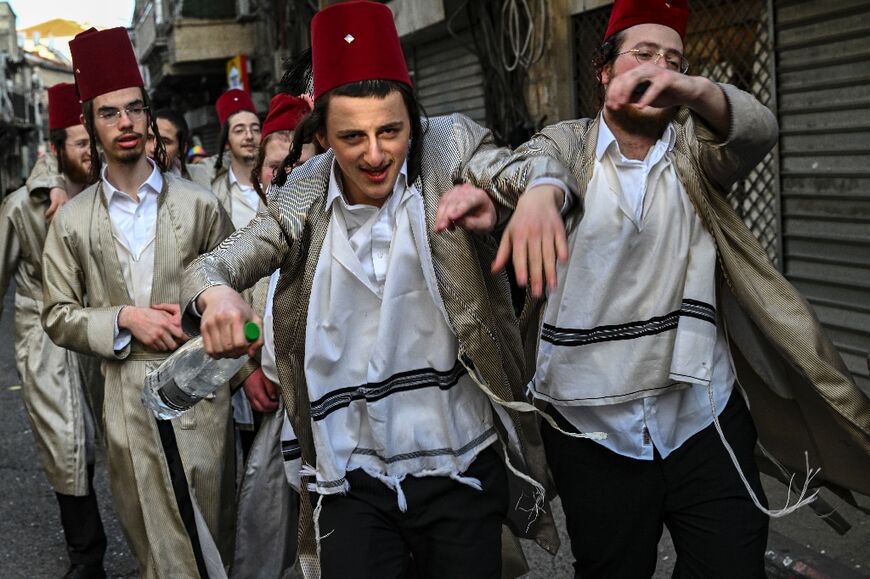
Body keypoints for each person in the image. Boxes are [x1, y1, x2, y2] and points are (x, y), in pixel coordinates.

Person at [181, 2, 578, 577]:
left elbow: (526, 162)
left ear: (412, 119)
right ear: (320, 134)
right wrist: (216, 296)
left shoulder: (449, 148)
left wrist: (540, 191)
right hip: (352, 477)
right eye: (352, 136)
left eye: (390, 130)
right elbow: (210, 266)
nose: (375, 153)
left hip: (458, 463)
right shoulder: (302, 196)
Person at [490, 1, 870, 577]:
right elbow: (532, 166)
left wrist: (690, 88)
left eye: (674, 61)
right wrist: (541, 193)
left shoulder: (697, 153)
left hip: (702, 414)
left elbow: (760, 128)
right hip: (592, 430)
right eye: (643, 55)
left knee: (732, 564)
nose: (658, 70)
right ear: (604, 71)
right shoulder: (566, 144)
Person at [41, 27, 236, 579]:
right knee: (155, 541)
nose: (125, 123)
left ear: (148, 116)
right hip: (126, 398)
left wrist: (199, 318)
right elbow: (57, 314)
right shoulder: (74, 221)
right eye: (109, 114)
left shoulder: (200, 205)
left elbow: (235, 293)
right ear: (90, 125)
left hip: (200, 386)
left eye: (134, 110)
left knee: (209, 535)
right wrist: (124, 318)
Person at [0, 82, 107, 579]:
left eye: (92, 140)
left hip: (101, 327)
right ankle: (87, 557)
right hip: (43, 334)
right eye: (78, 143)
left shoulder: (108, 190)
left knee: (121, 439)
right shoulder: (23, 205)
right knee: (68, 444)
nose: (89, 150)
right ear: (57, 148)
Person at [209, 89, 263, 228]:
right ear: (226, 141)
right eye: (239, 130)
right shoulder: (215, 193)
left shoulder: (279, 183)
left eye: (256, 129)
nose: (249, 136)